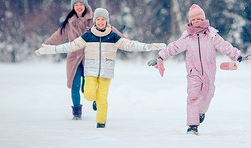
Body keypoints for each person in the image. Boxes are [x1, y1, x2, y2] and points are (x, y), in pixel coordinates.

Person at [36, 8, 166, 128]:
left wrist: (150, 46)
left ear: (106, 21)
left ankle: (101, 123)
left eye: (103, 19)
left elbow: (131, 45)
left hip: (106, 72)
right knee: (88, 94)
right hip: (90, 71)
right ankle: (95, 102)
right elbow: (70, 46)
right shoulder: (88, 35)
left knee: (102, 98)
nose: (100, 22)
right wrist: (50, 49)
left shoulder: (113, 36)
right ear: (94, 21)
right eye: (98, 19)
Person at [149, 4, 247, 135]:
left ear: (203, 19)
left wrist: (237, 55)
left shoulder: (212, 35)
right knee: (193, 96)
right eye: (193, 20)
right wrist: (161, 56)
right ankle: (192, 126)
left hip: (209, 72)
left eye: (198, 19)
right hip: (193, 72)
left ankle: (201, 112)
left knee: (208, 94)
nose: (196, 22)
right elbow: (174, 47)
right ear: (190, 22)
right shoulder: (187, 37)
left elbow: (224, 46)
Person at [41, 0, 127, 120]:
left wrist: (125, 40)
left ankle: (96, 99)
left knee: (86, 88)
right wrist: (46, 45)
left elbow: (109, 29)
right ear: (73, 7)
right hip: (74, 57)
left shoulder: (93, 19)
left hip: (90, 58)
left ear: (85, 5)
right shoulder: (69, 21)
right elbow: (58, 35)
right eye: (76, 5)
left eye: (81, 4)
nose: (79, 7)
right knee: (75, 85)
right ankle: (76, 112)